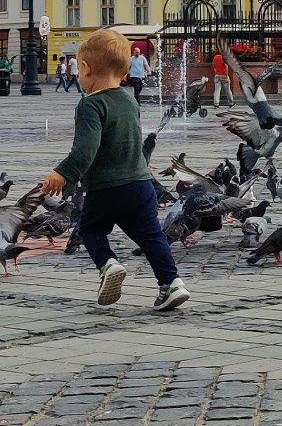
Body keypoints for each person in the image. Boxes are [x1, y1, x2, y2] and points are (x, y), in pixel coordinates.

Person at [37, 30, 190, 312]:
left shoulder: (90, 104)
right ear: (123, 70)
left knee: (91, 230)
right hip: (141, 184)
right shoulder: (129, 99)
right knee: (151, 236)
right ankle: (172, 284)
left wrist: (63, 173)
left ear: (84, 68)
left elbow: (85, 150)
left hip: (106, 187)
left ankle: (109, 265)